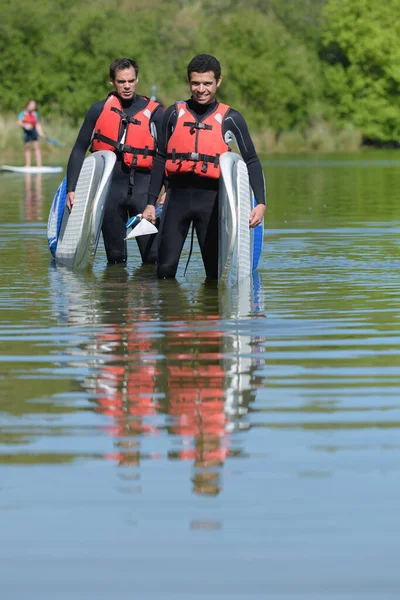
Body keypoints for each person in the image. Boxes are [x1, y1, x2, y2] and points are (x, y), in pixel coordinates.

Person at [142, 53, 266, 280]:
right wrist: (150, 202)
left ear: (218, 81)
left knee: (213, 274)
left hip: (212, 202)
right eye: (195, 83)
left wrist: (261, 203)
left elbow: (251, 161)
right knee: (165, 271)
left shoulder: (231, 118)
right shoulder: (173, 114)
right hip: (176, 199)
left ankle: (212, 314)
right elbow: (160, 158)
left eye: (207, 83)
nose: (201, 89)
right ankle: (171, 312)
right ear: (189, 82)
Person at [66, 58, 165, 265]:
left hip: (145, 192)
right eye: (121, 81)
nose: (127, 86)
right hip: (111, 193)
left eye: (131, 80)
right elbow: (78, 149)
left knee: (153, 259)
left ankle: (149, 296)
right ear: (112, 81)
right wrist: (71, 188)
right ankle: (116, 294)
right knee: (115, 259)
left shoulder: (155, 113)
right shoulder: (98, 110)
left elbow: (165, 156)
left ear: (137, 79)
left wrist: (166, 191)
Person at [17, 100, 45, 167]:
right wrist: (25, 125)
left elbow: (37, 124)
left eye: (34, 105)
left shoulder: (35, 114)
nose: (34, 106)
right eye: (32, 104)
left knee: (37, 147)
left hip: (34, 132)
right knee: (27, 147)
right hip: (27, 132)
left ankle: (39, 165)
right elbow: (19, 122)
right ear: (28, 105)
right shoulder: (23, 113)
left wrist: (41, 133)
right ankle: (28, 165)